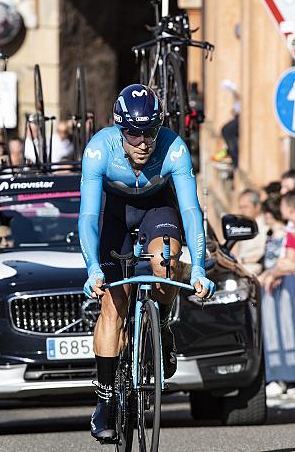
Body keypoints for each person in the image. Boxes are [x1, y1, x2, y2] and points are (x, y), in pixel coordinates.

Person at [78, 84, 214, 442]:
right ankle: (105, 401)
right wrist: (93, 266)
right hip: (114, 213)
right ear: (119, 128)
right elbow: (89, 216)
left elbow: (190, 210)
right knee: (113, 304)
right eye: (133, 132)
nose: (142, 142)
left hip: (158, 206)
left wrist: (197, 266)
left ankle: (163, 325)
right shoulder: (98, 151)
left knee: (166, 262)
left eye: (150, 131)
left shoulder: (175, 149)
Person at [232, 189, 268, 275]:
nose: (242, 211)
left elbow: (264, 254)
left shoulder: (265, 226)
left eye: (245, 207)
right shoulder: (240, 226)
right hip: (238, 270)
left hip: (257, 272)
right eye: (240, 207)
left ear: (257, 206)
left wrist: (243, 260)